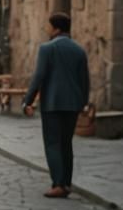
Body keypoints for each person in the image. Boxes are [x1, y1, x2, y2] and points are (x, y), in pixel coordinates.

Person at [23, 12, 91, 199]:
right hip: (73, 104)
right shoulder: (79, 50)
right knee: (66, 144)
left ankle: (58, 183)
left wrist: (28, 101)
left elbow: (39, 76)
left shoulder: (47, 48)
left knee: (53, 143)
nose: (47, 29)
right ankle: (66, 182)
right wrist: (83, 102)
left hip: (53, 103)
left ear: (56, 28)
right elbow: (85, 80)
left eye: (49, 26)